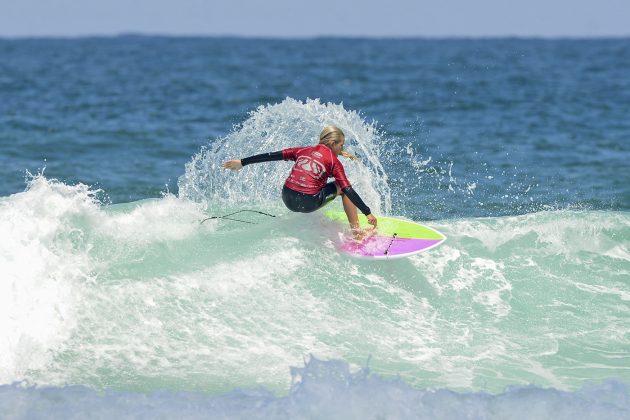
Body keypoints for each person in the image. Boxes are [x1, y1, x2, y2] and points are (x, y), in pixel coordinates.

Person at [223, 125, 377, 235]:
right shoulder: (334, 162)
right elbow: (348, 188)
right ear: (332, 144)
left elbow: (271, 155)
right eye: (341, 145)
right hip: (308, 202)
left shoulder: (302, 150)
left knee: (306, 183)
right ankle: (357, 233)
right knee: (341, 188)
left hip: (287, 198)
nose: (341, 149)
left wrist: (242, 162)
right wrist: (367, 212)